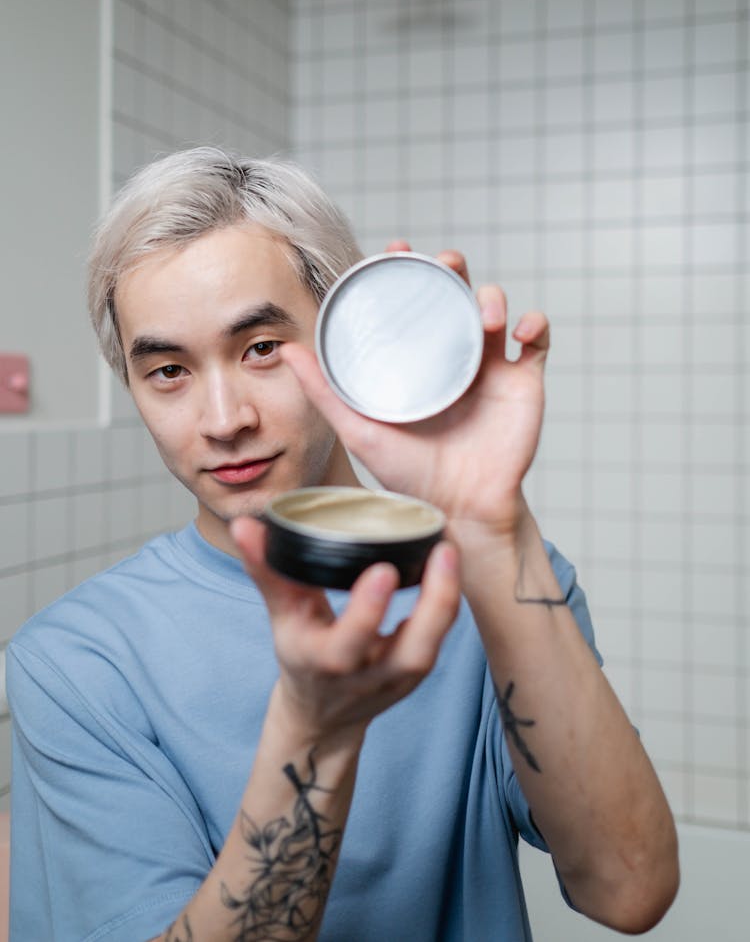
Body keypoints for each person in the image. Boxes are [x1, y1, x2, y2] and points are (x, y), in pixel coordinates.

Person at [7, 146, 679, 942]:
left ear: (342, 337)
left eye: (260, 348)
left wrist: (494, 524)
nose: (223, 419)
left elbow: (630, 889)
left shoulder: (498, 581)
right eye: (168, 371)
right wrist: (314, 729)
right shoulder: (76, 662)